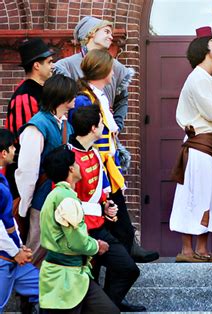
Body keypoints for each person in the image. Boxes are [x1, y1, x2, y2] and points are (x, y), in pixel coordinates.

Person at [69, 48, 158, 263]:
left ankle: (126, 256)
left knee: (115, 214)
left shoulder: (98, 97)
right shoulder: (84, 99)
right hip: (96, 168)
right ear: (104, 70)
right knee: (112, 218)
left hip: (107, 166)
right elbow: (85, 135)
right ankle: (123, 261)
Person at [169, 27, 212, 263]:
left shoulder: (211, 79)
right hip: (198, 146)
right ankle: (187, 251)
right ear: (204, 49)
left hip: (210, 147)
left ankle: (203, 249)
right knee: (193, 194)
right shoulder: (197, 78)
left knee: (210, 195)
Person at [39, 145, 119, 313]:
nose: (79, 166)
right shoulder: (66, 199)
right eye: (76, 163)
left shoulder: (56, 196)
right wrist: (97, 246)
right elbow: (77, 242)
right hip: (64, 278)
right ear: (71, 169)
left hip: (75, 275)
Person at [15, 74, 76, 267]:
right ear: (63, 97)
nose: (75, 98)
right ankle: (27, 293)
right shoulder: (37, 126)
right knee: (36, 249)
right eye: (72, 94)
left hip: (60, 197)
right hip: (42, 198)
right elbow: (27, 170)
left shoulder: (65, 125)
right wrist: (25, 206)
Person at [3, 38, 55, 231]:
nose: (52, 66)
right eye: (49, 62)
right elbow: (25, 142)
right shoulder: (25, 96)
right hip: (26, 175)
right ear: (36, 65)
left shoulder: (42, 92)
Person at [0, 128, 39, 313]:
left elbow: (7, 218)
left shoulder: (2, 180)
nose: (15, 151)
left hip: (13, 258)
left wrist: (20, 246)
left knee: (46, 287)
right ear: (3, 153)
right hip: (4, 258)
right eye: (12, 147)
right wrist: (16, 251)